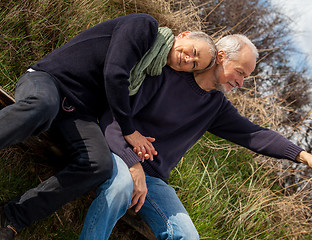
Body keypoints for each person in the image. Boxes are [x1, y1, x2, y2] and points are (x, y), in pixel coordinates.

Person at [78, 34, 312, 240]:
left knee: (187, 236)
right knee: (120, 187)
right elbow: (113, 119)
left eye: (246, 76)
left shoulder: (216, 107)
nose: (241, 82)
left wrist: (305, 156)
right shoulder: (163, 73)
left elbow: (255, 134)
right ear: (220, 57)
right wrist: (132, 163)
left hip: (154, 179)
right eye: (240, 72)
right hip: (118, 153)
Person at [0, 13, 217, 239]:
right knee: (41, 107)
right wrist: (129, 130)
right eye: (194, 52)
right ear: (184, 35)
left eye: (194, 65)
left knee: (99, 164)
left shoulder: (151, 73)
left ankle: (12, 218)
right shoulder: (145, 27)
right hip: (50, 81)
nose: (188, 61)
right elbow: (115, 73)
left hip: (79, 113)